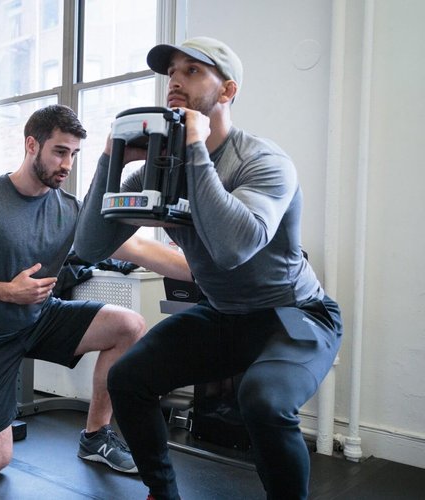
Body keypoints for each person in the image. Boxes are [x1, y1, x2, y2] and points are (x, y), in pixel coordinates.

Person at [74, 37, 343, 500]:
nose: (175, 80)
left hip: (294, 315)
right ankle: (162, 491)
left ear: (227, 91)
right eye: (171, 72)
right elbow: (90, 244)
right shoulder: (161, 171)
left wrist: (193, 142)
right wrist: (110, 157)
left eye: (193, 71)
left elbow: (233, 247)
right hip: (223, 315)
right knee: (128, 378)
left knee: (263, 402)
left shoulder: (263, 161)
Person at [0, 104, 191, 476]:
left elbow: (141, 249)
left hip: (39, 317)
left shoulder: (69, 209)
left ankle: (96, 436)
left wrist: (209, 271)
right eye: (60, 152)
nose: (67, 164)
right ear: (32, 145)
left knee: (128, 325)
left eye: (74, 155)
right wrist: (7, 292)